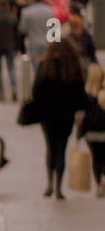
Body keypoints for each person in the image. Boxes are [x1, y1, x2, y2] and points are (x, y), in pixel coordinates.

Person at [28, 41, 89, 200]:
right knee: (61, 149)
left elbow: (35, 90)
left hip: (47, 116)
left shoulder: (45, 66)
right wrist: (80, 112)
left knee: (50, 148)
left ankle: (49, 182)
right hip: (66, 116)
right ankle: (58, 187)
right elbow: (80, 93)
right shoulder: (72, 68)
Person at [76, 63, 105, 198]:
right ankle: (103, 181)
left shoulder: (84, 95)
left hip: (90, 134)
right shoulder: (102, 93)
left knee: (96, 158)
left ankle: (98, 182)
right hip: (103, 132)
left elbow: (80, 117)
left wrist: (78, 134)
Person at [17, 0, 55, 72]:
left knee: (37, 68)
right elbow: (54, 28)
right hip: (47, 43)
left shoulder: (26, 12)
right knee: (48, 67)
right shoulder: (49, 10)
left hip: (34, 43)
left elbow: (23, 29)